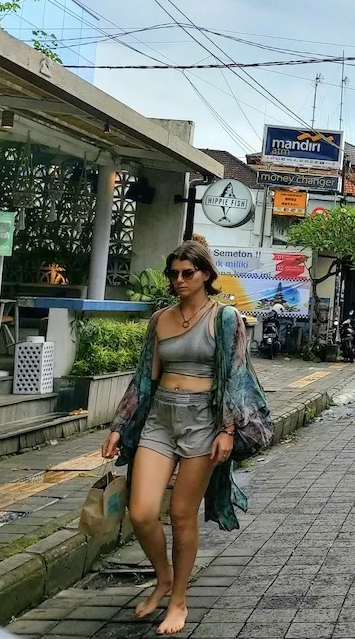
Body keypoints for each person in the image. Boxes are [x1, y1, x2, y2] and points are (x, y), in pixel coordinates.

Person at [100, 241, 272, 636]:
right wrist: (117, 426)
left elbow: (237, 379)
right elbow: (144, 378)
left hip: (203, 423)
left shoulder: (226, 319)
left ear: (206, 276)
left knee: (181, 514)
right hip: (160, 419)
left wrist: (228, 430)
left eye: (187, 273)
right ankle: (162, 578)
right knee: (141, 512)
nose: (178, 280)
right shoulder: (160, 319)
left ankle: (178, 599)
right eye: (173, 273)